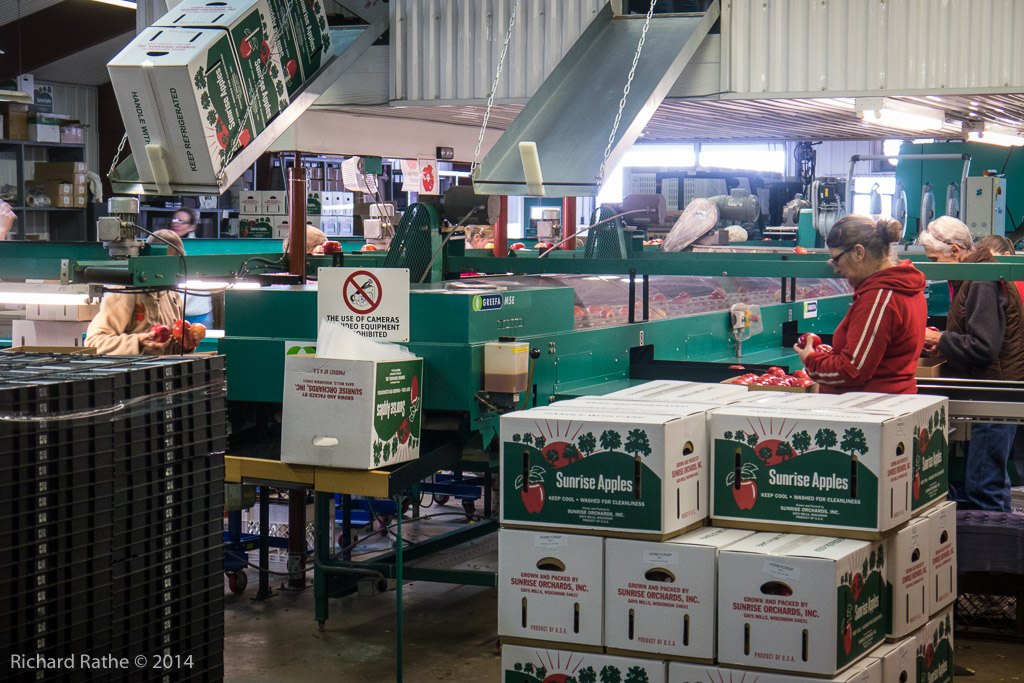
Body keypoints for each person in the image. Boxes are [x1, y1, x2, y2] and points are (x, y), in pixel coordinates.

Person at [920, 216, 1024, 512]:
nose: (932, 267)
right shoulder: (973, 275)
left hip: (995, 390)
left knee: (984, 484)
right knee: (991, 478)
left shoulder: (981, 280)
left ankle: (992, 540)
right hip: (992, 386)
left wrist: (940, 340)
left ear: (955, 251)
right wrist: (946, 345)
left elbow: (983, 346)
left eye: (934, 259)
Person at [793, 215, 927, 393]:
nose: (836, 269)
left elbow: (851, 370)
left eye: (836, 260)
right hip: (890, 399)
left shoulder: (878, 299)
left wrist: (811, 360)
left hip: (871, 404)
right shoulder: (904, 285)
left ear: (858, 253)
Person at [85, 230, 186, 355]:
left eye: (175, 267)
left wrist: (185, 345)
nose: (171, 272)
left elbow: (169, 350)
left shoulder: (173, 296)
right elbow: (94, 343)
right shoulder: (125, 293)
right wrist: (138, 342)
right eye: (167, 266)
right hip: (130, 367)